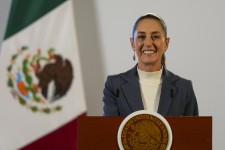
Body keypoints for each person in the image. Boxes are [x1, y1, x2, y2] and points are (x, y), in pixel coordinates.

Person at [103, 13, 199, 116]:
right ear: (132, 43)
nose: (148, 43)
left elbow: (193, 131)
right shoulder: (114, 85)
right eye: (141, 37)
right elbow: (109, 130)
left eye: (155, 37)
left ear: (166, 43)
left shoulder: (184, 88)